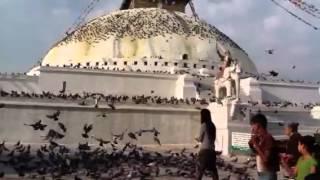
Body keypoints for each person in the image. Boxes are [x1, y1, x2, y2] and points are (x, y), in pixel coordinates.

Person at [248, 113, 279, 180]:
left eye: (253, 125)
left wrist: (256, 145)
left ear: (258, 125)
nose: (252, 128)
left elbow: (265, 159)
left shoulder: (268, 138)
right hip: (261, 173)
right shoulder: (260, 138)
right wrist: (251, 144)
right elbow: (258, 153)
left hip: (268, 174)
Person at [196, 109, 218, 180]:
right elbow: (213, 138)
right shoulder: (213, 126)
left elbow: (200, 139)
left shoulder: (204, 125)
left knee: (200, 171)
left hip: (204, 151)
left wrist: (197, 138)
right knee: (214, 172)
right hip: (212, 151)